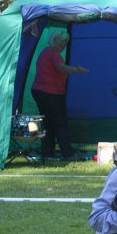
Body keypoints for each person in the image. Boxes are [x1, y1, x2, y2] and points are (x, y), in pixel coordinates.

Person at [31, 30, 89, 161]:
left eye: (65, 41)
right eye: (61, 40)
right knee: (60, 123)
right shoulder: (54, 54)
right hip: (51, 93)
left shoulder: (45, 52)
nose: (63, 44)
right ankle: (68, 154)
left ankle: (48, 153)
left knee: (48, 124)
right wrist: (76, 70)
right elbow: (61, 68)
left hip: (39, 91)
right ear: (54, 40)